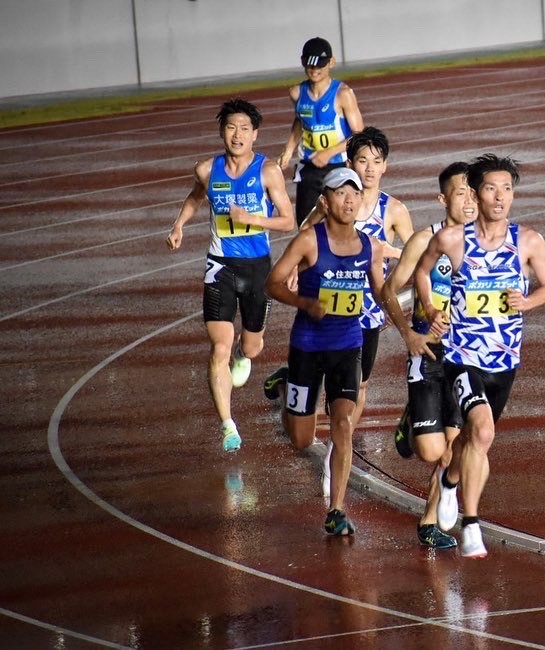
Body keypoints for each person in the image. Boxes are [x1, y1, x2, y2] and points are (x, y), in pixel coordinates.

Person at [414, 154, 545, 558]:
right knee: (483, 432)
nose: (500, 197)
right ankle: (472, 525)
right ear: (476, 193)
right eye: (492, 188)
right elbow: (422, 272)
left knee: (473, 443)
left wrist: (526, 302)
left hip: (504, 361)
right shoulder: (453, 240)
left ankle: (448, 482)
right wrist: (430, 308)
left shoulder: (527, 241)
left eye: (507, 189)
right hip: (462, 356)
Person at [263, 167, 389, 536]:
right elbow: (272, 283)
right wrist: (305, 301)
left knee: (343, 424)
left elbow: (380, 290)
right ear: (325, 200)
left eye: (354, 194)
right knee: (302, 439)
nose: (348, 200)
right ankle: (289, 384)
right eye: (339, 193)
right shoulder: (308, 240)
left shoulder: (370, 246)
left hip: (348, 345)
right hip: (308, 347)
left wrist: (404, 318)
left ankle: (336, 509)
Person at [166, 98, 296, 452]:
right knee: (218, 347)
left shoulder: (268, 171)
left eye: (244, 129)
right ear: (222, 132)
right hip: (220, 265)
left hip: (257, 268)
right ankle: (228, 424)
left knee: (251, 347)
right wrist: (179, 225)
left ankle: (243, 355)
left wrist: (254, 219)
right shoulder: (208, 170)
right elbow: (196, 197)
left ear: (255, 134)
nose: (237, 135)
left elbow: (289, 221)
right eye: (230, 127)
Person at [379, 162, 478, 550]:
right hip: (428, 352)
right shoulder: (425, 241)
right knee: (431, 450)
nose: (469, 201)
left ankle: (428, 521)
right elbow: (388, 290)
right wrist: (407, 334)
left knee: (455, 447)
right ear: (443, 199)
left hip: (467, 355)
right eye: (460, 193)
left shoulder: (489, 245)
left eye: (474, 192)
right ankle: (411, 419)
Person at [306, 126, 415, 431]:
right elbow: (305, 232)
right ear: (350, 163)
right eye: (362, 160)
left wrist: (392, 287)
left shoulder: (394, 210)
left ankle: (342, 445)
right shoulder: (333, 201)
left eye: (376, 161)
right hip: (329, 301)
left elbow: (414, 254)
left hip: (368, 310)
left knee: (361, 383)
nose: (369, 168)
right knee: (325, 373)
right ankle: (294, 379)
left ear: (385, 166)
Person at [277, 37, 364, 225]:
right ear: (303, 62)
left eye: (320, 66)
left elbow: (360, 136)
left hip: (338, 167)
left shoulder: (343, 94)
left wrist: (328, 153)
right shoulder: (297, 93)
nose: (315, 70)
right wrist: (289, 150)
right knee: (306, 225)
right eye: (310, 65)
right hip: (309, 168)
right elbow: (300, 121)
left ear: (331, 63)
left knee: (342, 222)